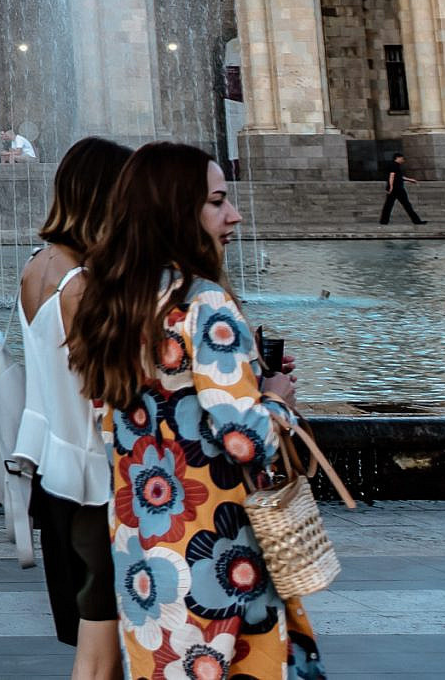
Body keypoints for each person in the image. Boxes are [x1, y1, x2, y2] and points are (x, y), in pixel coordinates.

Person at [66, 142, 322, 680]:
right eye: (216, 201)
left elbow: (110, 420)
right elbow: (244, 440)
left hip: (143, 552)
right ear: (177, 212)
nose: (233, 215)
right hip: (219, 553)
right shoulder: (203, 302)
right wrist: (274, 395)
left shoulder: (108, 303)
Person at [13, 136, 131, 680]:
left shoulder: (37, 266)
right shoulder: (82, 284)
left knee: (94, 634)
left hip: (55, 469)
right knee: (102, 646)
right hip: (95, 479)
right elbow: (105, 386)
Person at [381, 151, 424, 226]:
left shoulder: (395, 165)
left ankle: (384, 221)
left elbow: (399, 176)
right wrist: (391, 186)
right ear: (397, 158)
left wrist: (410, 180)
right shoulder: (394, 165)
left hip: (396, 188)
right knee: (406, 205)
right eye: (402, 158)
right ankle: (416, 221)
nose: (403, 160)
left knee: (389, 205)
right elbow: (392, 176)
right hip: (397, 189)